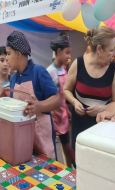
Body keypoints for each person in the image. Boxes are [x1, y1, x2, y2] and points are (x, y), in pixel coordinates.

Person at [64, 26, 115, 150]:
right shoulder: (78, 64)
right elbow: (66, 90)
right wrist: (74, 102)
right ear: (100, 49)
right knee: (79, 163)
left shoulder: (114, 70)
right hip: (79, 128)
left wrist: (103, 109)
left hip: (102, 131)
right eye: (112, 50)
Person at [6, 30, 60, 159]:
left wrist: (39, 106)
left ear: (18, 53)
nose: (6, 58)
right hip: (23, 139)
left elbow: (57, 99)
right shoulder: (13, 79)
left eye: (8, 53)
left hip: (42, 136)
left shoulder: (38, 72)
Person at [47, 33, 75, 167]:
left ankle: (68, 169)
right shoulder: (50, 72)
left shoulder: (63, 69)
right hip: (54, 117)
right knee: (53, 147)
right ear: (58, 52)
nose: (69, 56)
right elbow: (49, 97)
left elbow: (63, 93)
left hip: (63, 114)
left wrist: (67, 110)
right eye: (67, 53)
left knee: (67, 146)